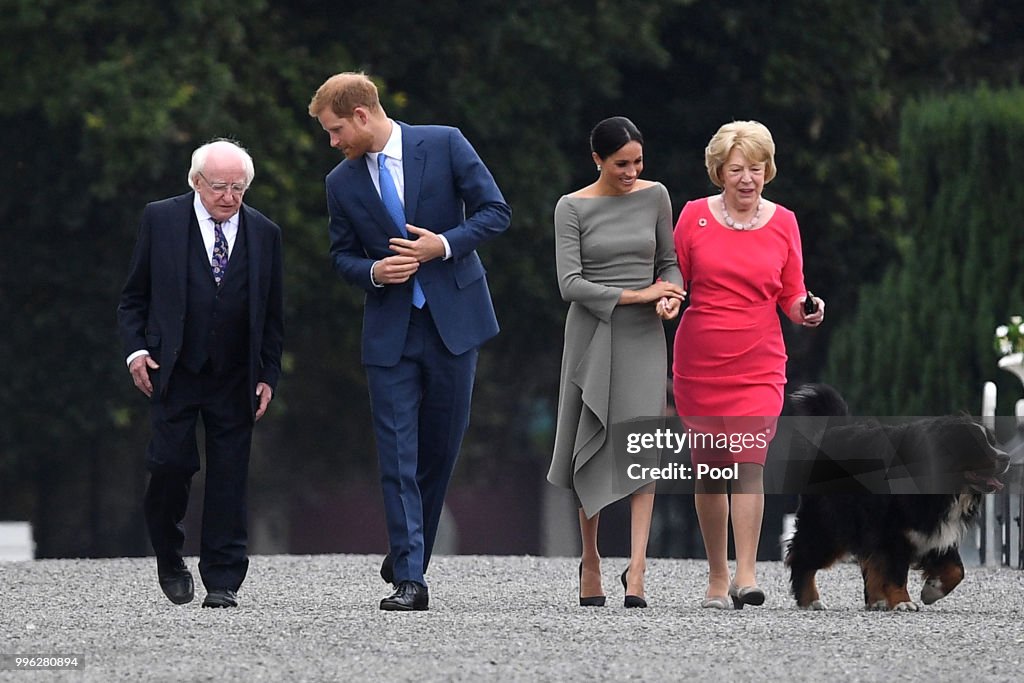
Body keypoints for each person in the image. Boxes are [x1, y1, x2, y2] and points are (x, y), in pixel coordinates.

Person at [308, 72, 511, 611]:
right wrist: (375, 272)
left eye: (334, 131)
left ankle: (405, 551)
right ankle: (411, 579)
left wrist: (442, 245)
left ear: (360, 115)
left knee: (441, 448)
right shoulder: (340, 183)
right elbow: (341, 257)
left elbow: (496, 213)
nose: (332, 143)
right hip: (390, 334)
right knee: (396, 453)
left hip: (454, 323)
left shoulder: (444, 142)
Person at [117, 139, 284, 608]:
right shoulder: (161, 219)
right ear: (195, 182)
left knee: (230, 476)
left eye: (238, 188)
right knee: (170, 466)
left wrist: (269, 373)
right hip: (173, 370)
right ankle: (169, 556)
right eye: (219, 187)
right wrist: (135, 353)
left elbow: (273, 315)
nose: (229, 197)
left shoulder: (265, 232)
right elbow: (133, 297)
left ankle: (223, 579)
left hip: (236, 376)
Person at [671, 120, 824, 609]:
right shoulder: (693, 217)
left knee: (749, 462)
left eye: (755, 169)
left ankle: (747, 574)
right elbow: (675, 278)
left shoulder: (784, 222)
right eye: (737, 169)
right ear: (719, 172)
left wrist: (806, 308)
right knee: (711, 469)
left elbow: (792, 291)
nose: (747, 179)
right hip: (700, 361)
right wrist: (668, 300)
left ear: (767, 172)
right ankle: (717, 578)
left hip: (759, 362)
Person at [548, 117, 686, 608]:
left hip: (645, 336)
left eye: (638, 163)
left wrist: (670, 295)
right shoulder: (572, 207)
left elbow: (669, 261)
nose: (631, 172)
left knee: (641, 445)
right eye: (621, 164)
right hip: (592, 334)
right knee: (592, 440)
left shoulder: (656, 196)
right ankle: (590, 560)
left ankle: (639, 567)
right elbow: (570, 284)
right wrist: (638, 294)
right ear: (597, 161)